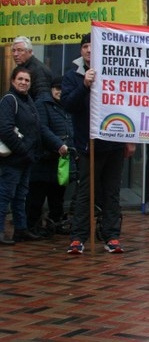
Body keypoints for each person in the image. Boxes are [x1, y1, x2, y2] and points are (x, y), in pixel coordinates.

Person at [63, 33, 136, 254]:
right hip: (88, 146)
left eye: (92, 46)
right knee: (86, 192)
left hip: (113, 144)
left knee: (111, 192)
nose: (88, 50)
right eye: (85, 46)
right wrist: (84, 85)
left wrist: (130, 139)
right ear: (81, 50)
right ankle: (78, 237)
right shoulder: (72, 77)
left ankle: (111, 235)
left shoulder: (114, 72)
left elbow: (128, 106)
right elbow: (68, 104)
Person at [0, 67, 67, 245]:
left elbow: (36, 129)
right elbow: (5, 130)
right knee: (5, 195)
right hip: (14, 159)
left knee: (21, 196)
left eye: (27, 80)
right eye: (20, 79)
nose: (23, 82)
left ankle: (21, 230)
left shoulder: (28, 100)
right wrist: (23, 150)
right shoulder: (9, 100)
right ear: (13, 81)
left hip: (27, 160)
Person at [27, 76, 74, 235]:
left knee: (57, 197)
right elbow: (42, 129)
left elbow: (70, 129)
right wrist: (58, 144)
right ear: (51, 89)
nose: (60, 92)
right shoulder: (42, 104)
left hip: (60, 161)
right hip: (43, 159)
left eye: (62, 88)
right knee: (36, 197)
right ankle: (32, 226)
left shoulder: (68, 105)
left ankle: (56, 224)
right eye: (57, 88)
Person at [11, 36, 52, 101]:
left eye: (19, 50)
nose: (15, 54)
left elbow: (42, 101)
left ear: (30, 52)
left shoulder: (39, 70)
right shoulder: (20, 68)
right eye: (13, 50)